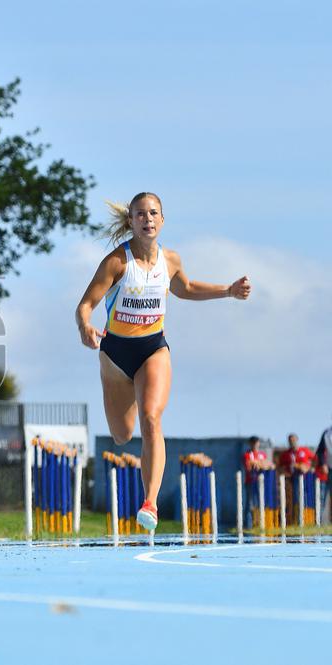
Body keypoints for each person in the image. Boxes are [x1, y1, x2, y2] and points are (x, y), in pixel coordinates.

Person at [74, 193, 251, 531]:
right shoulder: (116, 262)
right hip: (115, 356)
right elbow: (85, 305)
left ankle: (150, 503)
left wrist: (227, 291)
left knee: (151, 419)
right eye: (140, 214)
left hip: (153, 348)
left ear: (163, 220)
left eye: (153, 213)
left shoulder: (169, 260)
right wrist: (84, 326)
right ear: (131, 221)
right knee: (122, 435)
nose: (147, 219)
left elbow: (185, 287)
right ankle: (113, 390)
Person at [242, 436, 270, 528]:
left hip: (261, 484)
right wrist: (259, 464)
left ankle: (259, 524)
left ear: (258, 443)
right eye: (252, 443)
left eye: (256, 442)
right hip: (250, 482)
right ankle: (249, 525)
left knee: (260, 503)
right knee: (250, 504)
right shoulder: (247, 454)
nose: (254, 444)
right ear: (250, 444)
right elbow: (249, 466)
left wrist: (258, 464)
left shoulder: (262, 454)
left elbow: (266, 465)